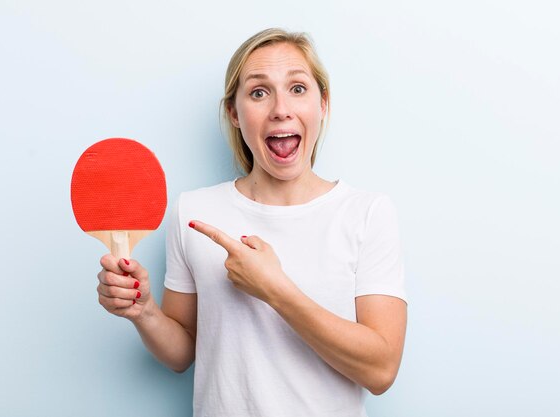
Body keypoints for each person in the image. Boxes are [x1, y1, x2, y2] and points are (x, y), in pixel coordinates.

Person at [97, 28, 407, 417]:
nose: (280, 109)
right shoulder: (193, 212)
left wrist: (274, 289)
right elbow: (182, 353)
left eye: (297, 88)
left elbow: (381, 370)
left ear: (322, 104)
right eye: (259, 92)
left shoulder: (367, 213)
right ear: (234, 113)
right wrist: (144, 312)